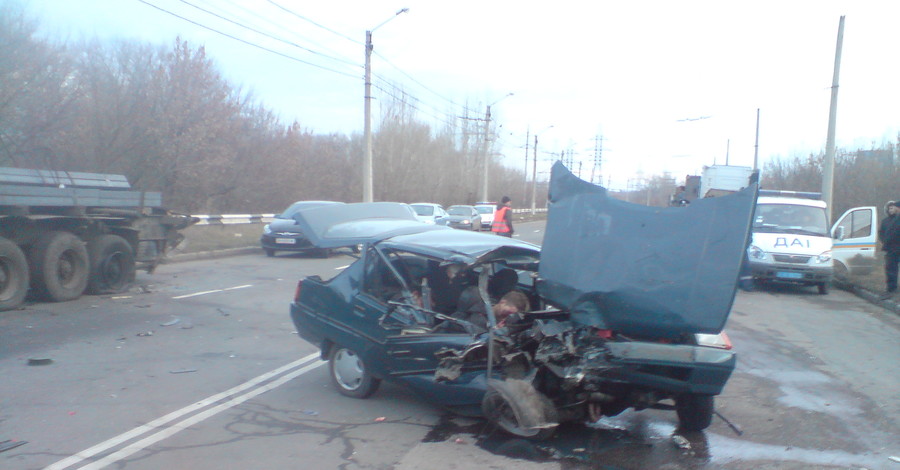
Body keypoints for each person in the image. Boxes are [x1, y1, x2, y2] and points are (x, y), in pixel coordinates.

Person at [878, 200, 900, 299]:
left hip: (896, 247)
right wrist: (885, 241)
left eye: (894, 207)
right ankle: (891, 288)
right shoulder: (886, 221)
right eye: (890, 208)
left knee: (892, 268)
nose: (892, 209)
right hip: (891, 249)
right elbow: (882, 233)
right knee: (890, 269)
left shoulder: (897, 219)